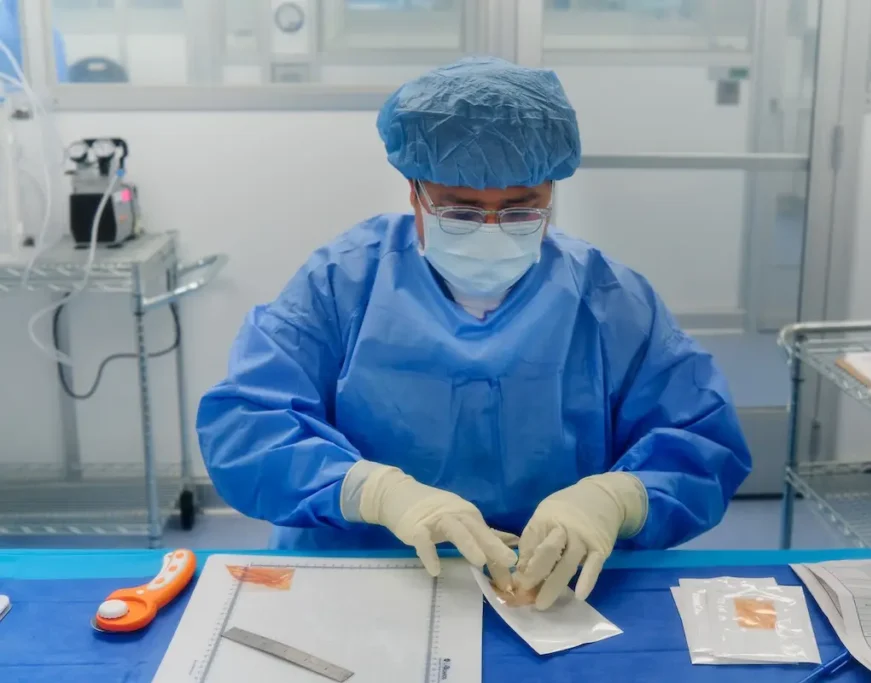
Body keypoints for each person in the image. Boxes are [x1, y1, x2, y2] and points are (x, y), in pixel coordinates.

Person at [197, 57, 751, 611]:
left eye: (520, 210)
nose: (490, 230)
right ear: (414, 193)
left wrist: (617, 499)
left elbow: (701, 441)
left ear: (551, 193)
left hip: (551, 590)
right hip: (362, 575)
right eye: (460, 211)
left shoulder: (609, 300)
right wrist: (375, 493)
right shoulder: (342, 283)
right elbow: (247, 424)